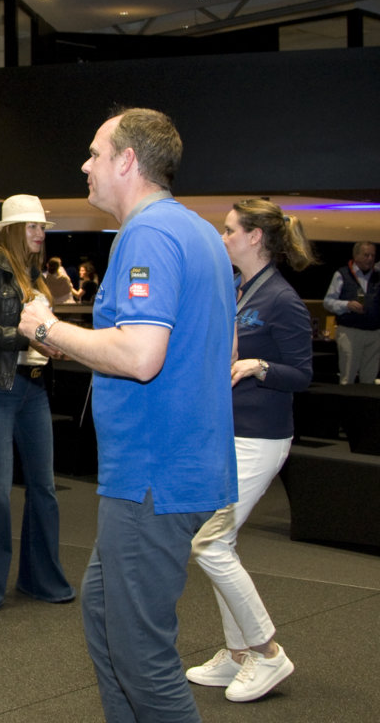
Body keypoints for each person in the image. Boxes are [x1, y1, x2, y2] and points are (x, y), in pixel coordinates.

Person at [19, 107, 237, 721]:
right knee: (102, 613)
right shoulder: (199, 233)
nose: (85, 165)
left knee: (142, 656)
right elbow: (220, 348)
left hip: (154, 475)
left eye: (95, 153)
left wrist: (47, 328)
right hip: (177, 467)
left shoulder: (148, 235)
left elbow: (141, 357)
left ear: (127, 161)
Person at [185, 199, 314, 703]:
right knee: (219, 542)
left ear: (255, 237)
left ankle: (267, 651)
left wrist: (259, 366)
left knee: (210, 544)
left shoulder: (283, 299)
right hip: (230, 432)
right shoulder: (237, 287)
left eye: (229, 230)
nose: (222, 238)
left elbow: (302, 374)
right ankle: (239, 653)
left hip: (261, 437)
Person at [0, 194, 74, 613]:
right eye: (33, 227)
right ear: (12, 230)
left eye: (42, 227)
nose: (40, 234)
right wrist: (22, 338)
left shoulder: (35, 276)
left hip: (33, 389)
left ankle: (41, 580)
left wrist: (52, 343)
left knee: (44, 489)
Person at [322, 241, 379, 384]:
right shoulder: (342, 274)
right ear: (356, 256)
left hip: (375, 333)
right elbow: (328, 302)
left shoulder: (377, 275)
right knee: (348, 376)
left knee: (370, 379)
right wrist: (347, 305)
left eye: (373, 256)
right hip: (350, 332)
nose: (370, 259)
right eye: (366, 255)